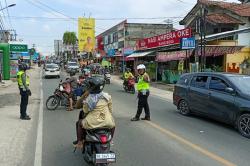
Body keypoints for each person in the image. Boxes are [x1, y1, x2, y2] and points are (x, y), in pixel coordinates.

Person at [73, 76, 115, 148]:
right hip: (107, 121)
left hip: (92, 123)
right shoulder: (107, 96)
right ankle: (111, 140)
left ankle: (80, 142)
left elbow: (85, 111)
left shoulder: (88, 98)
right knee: (113, 125)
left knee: (79, 123)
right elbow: (110, 110)